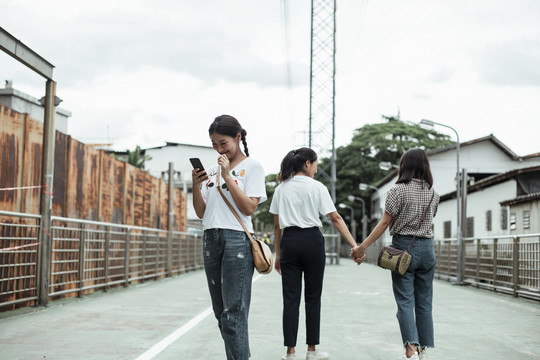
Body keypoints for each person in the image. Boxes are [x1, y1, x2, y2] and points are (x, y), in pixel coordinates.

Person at [269, 147, 363, 360]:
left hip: (290, 242)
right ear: (307, 164)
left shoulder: (281, 189)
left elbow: (277, 227)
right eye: (316, 164)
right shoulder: (317, 187)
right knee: (313, 298)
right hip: (312, 241)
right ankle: (312, 351)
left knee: (290, 299)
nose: (317, 168)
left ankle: (290, 352)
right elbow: (336, 218)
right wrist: (354, 245)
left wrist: (278, 254)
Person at [351, 148, 440, 360]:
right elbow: (430, 219)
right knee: (425, 302)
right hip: (428, 249)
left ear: (404, 166)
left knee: (405, 302)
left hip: (403, 249)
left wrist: (361, 248)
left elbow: (384, 223)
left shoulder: (397, 191)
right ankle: (423, 348)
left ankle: (410, 350)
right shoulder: (434, 193)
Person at [192, 115, 267, 360]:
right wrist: (196, 185)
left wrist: (227, 177)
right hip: (210, 238)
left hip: (237, 241)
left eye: (223, 143)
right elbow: (202, 212)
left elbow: (248, 208)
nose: (219, 149)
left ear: (238, 137)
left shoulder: (253, 167)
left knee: (233, 313)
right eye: (214, 144)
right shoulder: (212, 170)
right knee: (220, 313)